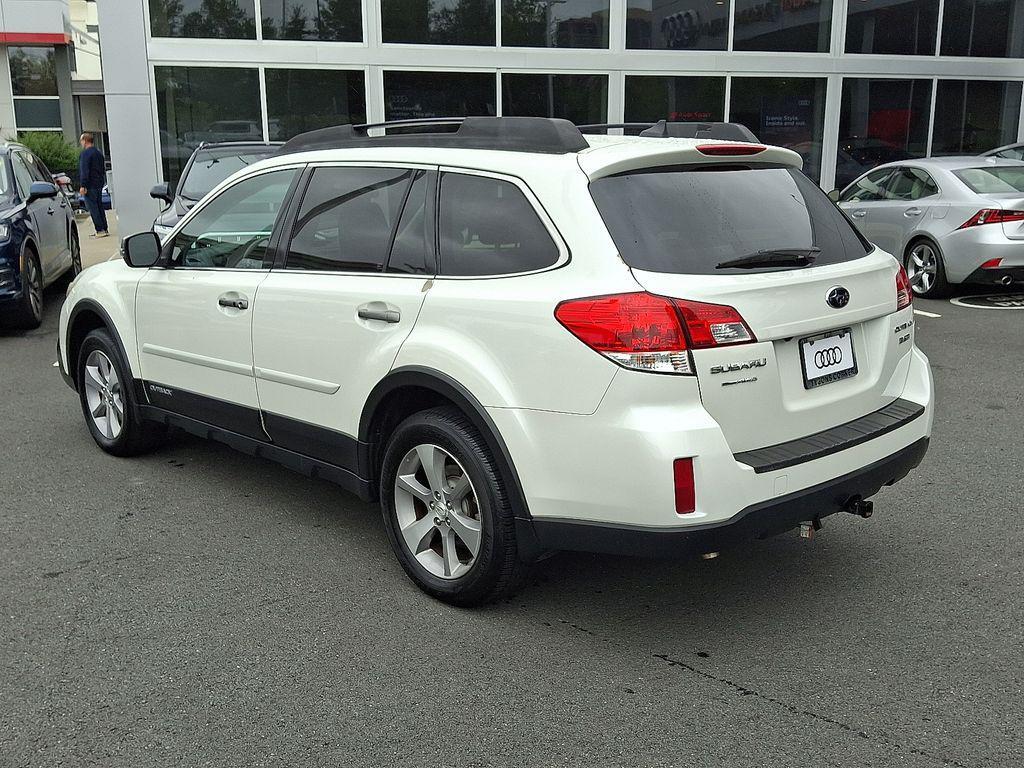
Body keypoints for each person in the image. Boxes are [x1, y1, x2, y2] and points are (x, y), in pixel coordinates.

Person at [78, 132, 108, 238]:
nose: (81, 143)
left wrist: (83, 185)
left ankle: (99, 230)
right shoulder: (98, 153)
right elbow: (102, 169)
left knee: (93, 208)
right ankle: (104, 228)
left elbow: (84, 170)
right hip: (99, 183)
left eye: (81, 141)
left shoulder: (85, 154)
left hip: (90, 185)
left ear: (85, 141)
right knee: (99, 206)